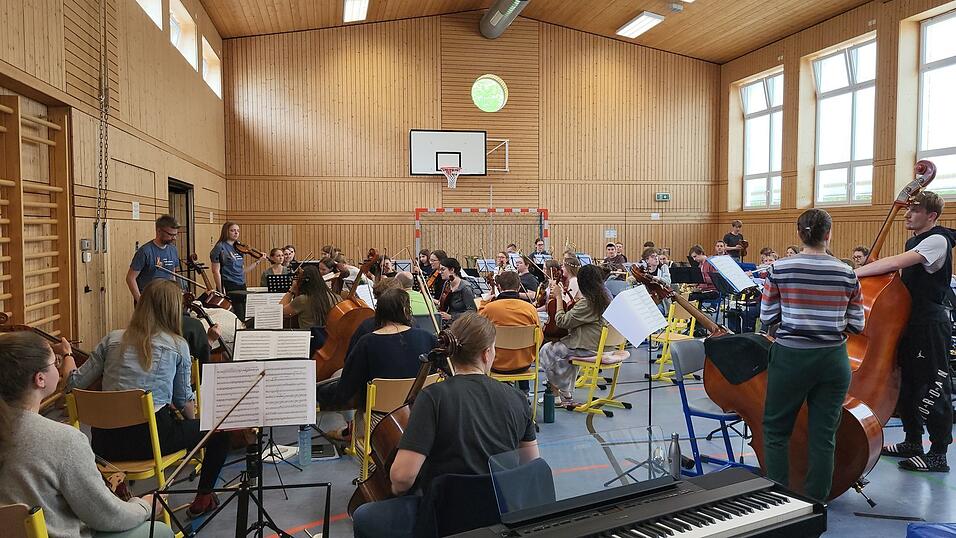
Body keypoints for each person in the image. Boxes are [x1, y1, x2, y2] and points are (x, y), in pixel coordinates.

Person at [350, 313, 538, 538]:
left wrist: (395, 491)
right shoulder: (517, 398)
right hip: (501, 514)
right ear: (487, 353)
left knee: (364, 516)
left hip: (445, 517)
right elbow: (531, 466)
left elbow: (402, 477)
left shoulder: (433, 398)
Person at [63, 280, 232, 517]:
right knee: (219, 430)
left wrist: (67, 354)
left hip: (103, 445)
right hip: (151, 441)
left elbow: (73, 384)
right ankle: (203, 498)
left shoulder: (111, 339)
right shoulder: (177, 345)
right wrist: (194, 427)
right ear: (173, 309)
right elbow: (183, 401)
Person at [0, 332, 175, 538]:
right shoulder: (63, 440)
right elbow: (108, 517)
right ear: (40, 379)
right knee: (160, 531)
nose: (58, 366)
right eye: (54, 362)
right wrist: (146, 506)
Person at [760, 209, 864, 501]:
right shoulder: (847, 272)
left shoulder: (779, 269)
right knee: (824, 436)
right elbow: (857, 324)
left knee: (776, 430)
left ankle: (778, 503)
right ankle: (817, 505)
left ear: (799, 234)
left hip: (791, 357)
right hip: (832, 360)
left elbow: (767, 316)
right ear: (828, 234)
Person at [856, 191, 954, 472]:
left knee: (933, 385)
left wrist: (856, 273)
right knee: (909, 385)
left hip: (931, 325)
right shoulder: (916, 240)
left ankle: (937, 453)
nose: (907, 215)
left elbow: (897, 263)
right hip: (911, 323)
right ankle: (912, 441)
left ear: (932, 216)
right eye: (907, 210)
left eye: (915, 210)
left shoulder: (937, 240)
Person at [317, 288, 437, 441]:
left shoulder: (367, 342)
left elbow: (348, 386)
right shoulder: (428, 337)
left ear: (378, 312)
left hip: (379, 417)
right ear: (406, 311)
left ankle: (351, 432)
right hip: (419, 411)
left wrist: (321, 394)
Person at [538, 264, 610, 408]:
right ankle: (566, 392)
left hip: (586, 347)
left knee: (547, 350)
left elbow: (562, 321)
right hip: (596, 344)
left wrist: (558, 297)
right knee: (561, 354)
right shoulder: (602, 299)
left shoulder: (588, 303)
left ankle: (555, 396)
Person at [479, 271, 540, 393]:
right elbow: (539, 339)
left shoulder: (490, 309)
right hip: (523, 363)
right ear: (518, 287)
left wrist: (484, 302)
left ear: (499, 287)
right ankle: (524, 391)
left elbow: (478, 328)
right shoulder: (530, 309)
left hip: (496, 364)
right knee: (521, 350)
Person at [210, 222, 262, 320]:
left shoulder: (238, 248)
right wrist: (221, 291)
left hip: (241, 284)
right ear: (226, 232)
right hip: (229, 284)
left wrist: (258, 261)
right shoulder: (220, 247)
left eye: (238, 231)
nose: (236, 233)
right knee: (237, 314)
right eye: (233, 230)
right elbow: (215, 271)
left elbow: (242, 270)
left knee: (243, 314)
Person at [127, 214, 181, 303]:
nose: (174, 238)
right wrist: (140, 301)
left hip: (166, 300)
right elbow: (130, 278)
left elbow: (172, 275)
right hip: (148, 301)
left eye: (176, 235)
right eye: (171, 235)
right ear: (159, 231)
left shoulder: (173, 249)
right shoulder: (145, 251)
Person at [280, 265, 341, 330]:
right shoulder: (336, 297)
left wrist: (292, 290)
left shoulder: (302, 300)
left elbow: (280, 312)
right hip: (331, 337)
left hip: (310, 338)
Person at [436, 258, 477, 324]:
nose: (440, 272)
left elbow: (472, 312)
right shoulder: (447, 284)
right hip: (448, 322)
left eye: (443, 269)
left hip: (461, 324)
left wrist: (451, 317)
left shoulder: (465, 287)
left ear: (452, 270)